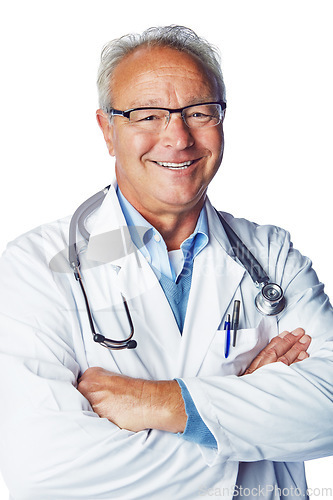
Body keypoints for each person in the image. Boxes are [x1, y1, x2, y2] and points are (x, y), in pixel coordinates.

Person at [0, 25, 332, 500]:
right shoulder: (41, 266)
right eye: (147, 115)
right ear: (106, 129)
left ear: (221, 120)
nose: (177, 137)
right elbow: (44, 466)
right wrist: (243, 416)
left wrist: (162, 403)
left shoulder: (271, 256)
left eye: (198, 112)